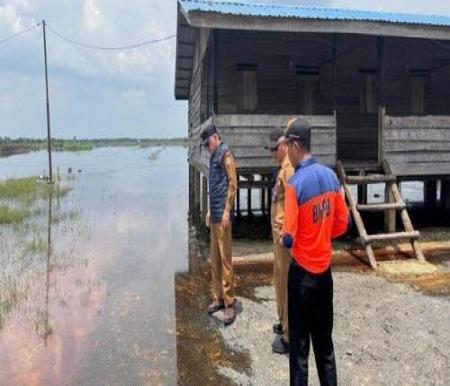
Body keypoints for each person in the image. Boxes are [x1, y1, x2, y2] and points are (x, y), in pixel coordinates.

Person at [281, 119, 350, 386]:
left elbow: (288, 238)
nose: (286, 151)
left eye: (287, 146)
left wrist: (294, 242)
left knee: (299, 350)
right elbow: (343, 224)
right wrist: (321, 234)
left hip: (302, 276)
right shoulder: (331, 177)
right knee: (325, 346)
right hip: (325, 275)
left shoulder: (295, 184)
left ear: (296, 145)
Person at [201, 124, 238, 326]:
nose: (207, 147)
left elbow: (233, 183)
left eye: (208, 143)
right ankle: (219, 298)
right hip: (214, 215)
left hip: (223, 217)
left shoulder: (225, 154)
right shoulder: (213, 155)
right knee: (214, 259)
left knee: (225, 260)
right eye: (205, 145)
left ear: (215, 138)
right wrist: (209, 210)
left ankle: (230, 302)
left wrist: (226, 211)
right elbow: (213, 187)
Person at [265, 129, 294, 354]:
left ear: (285, 145)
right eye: (272, 150)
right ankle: (283, 319)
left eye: (276, 149)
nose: (274, 153)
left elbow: (293, 205)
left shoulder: (289, 170)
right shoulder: (281, 169)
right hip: (278, 235)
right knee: (279, 278)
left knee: (286, 280)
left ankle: (289, 334)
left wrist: (287, 232)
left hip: (285, 237)